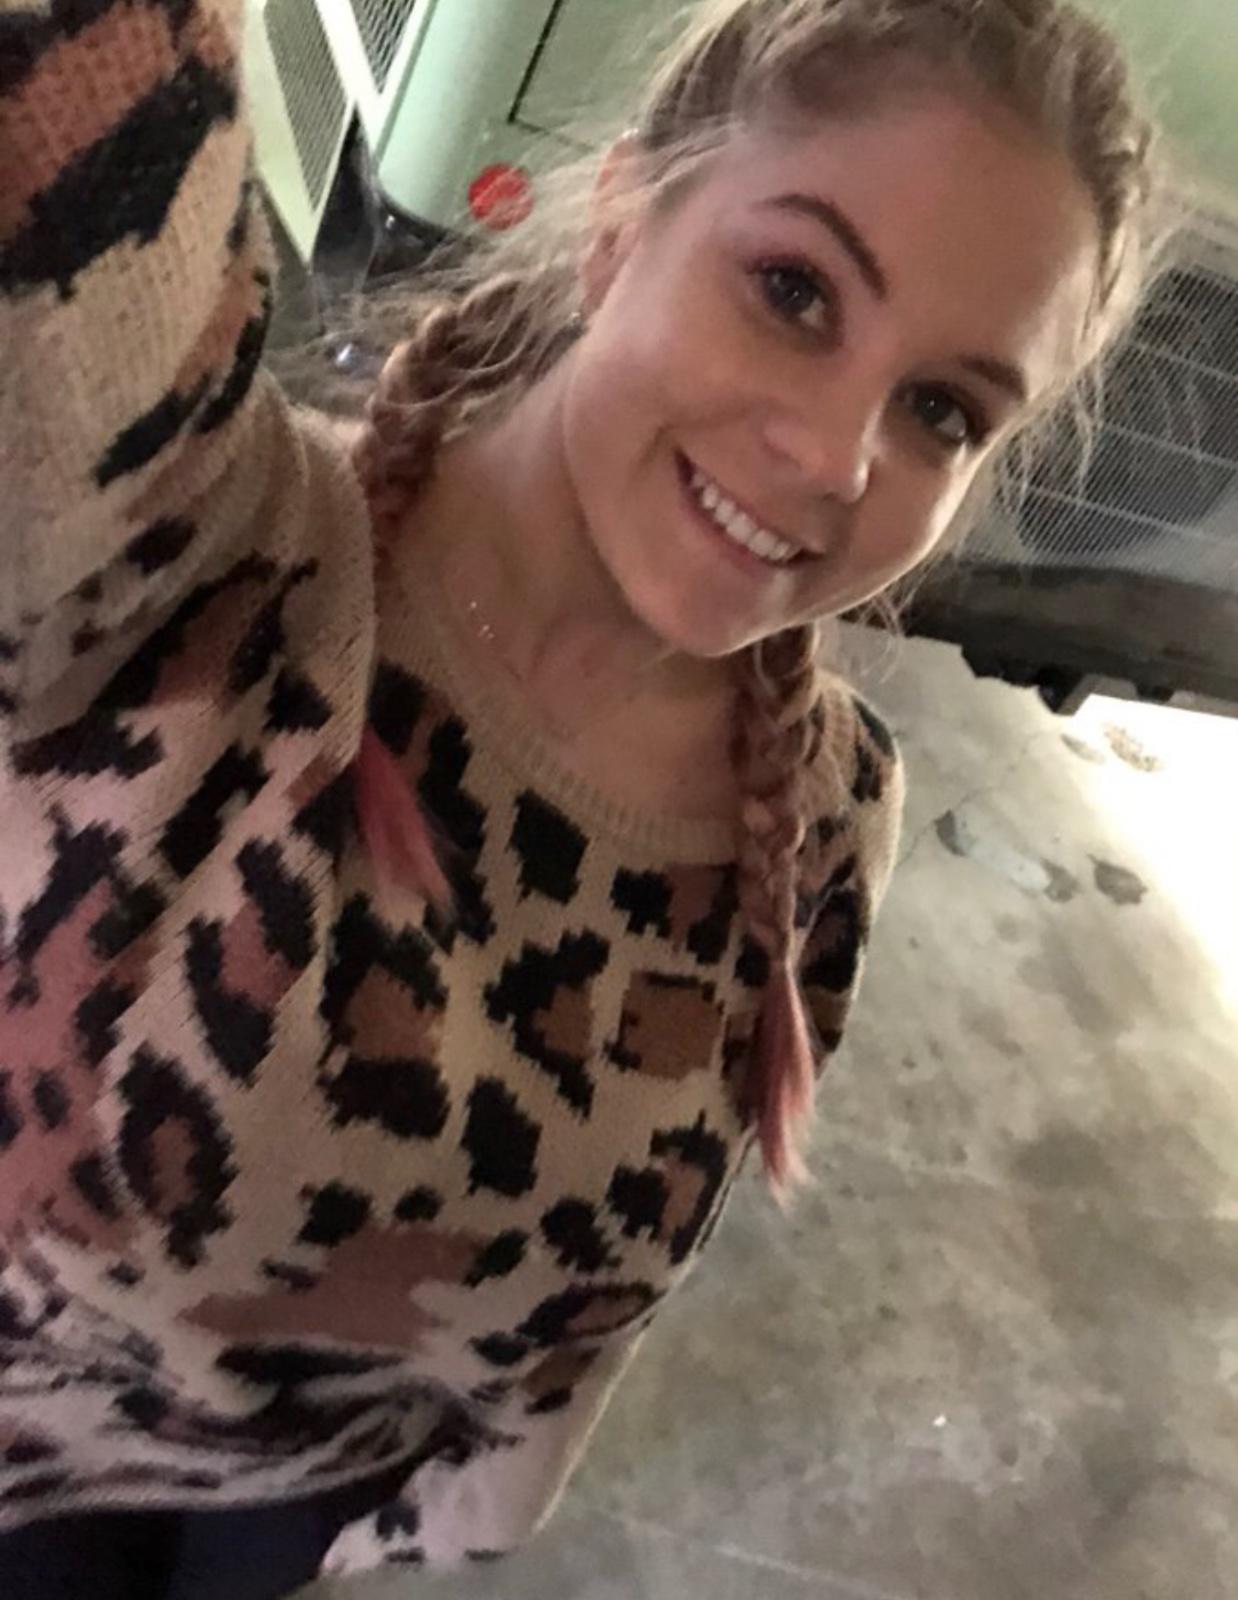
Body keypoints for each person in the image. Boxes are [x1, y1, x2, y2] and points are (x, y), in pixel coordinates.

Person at [0, 0, 1161, 1594]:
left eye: (941, 411)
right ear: (620, 223)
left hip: (308, 1517)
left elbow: (596, 1309)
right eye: (793, 290)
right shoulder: (194, 560)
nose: (837, 458)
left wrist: (459, 1516)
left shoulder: (822, 810)